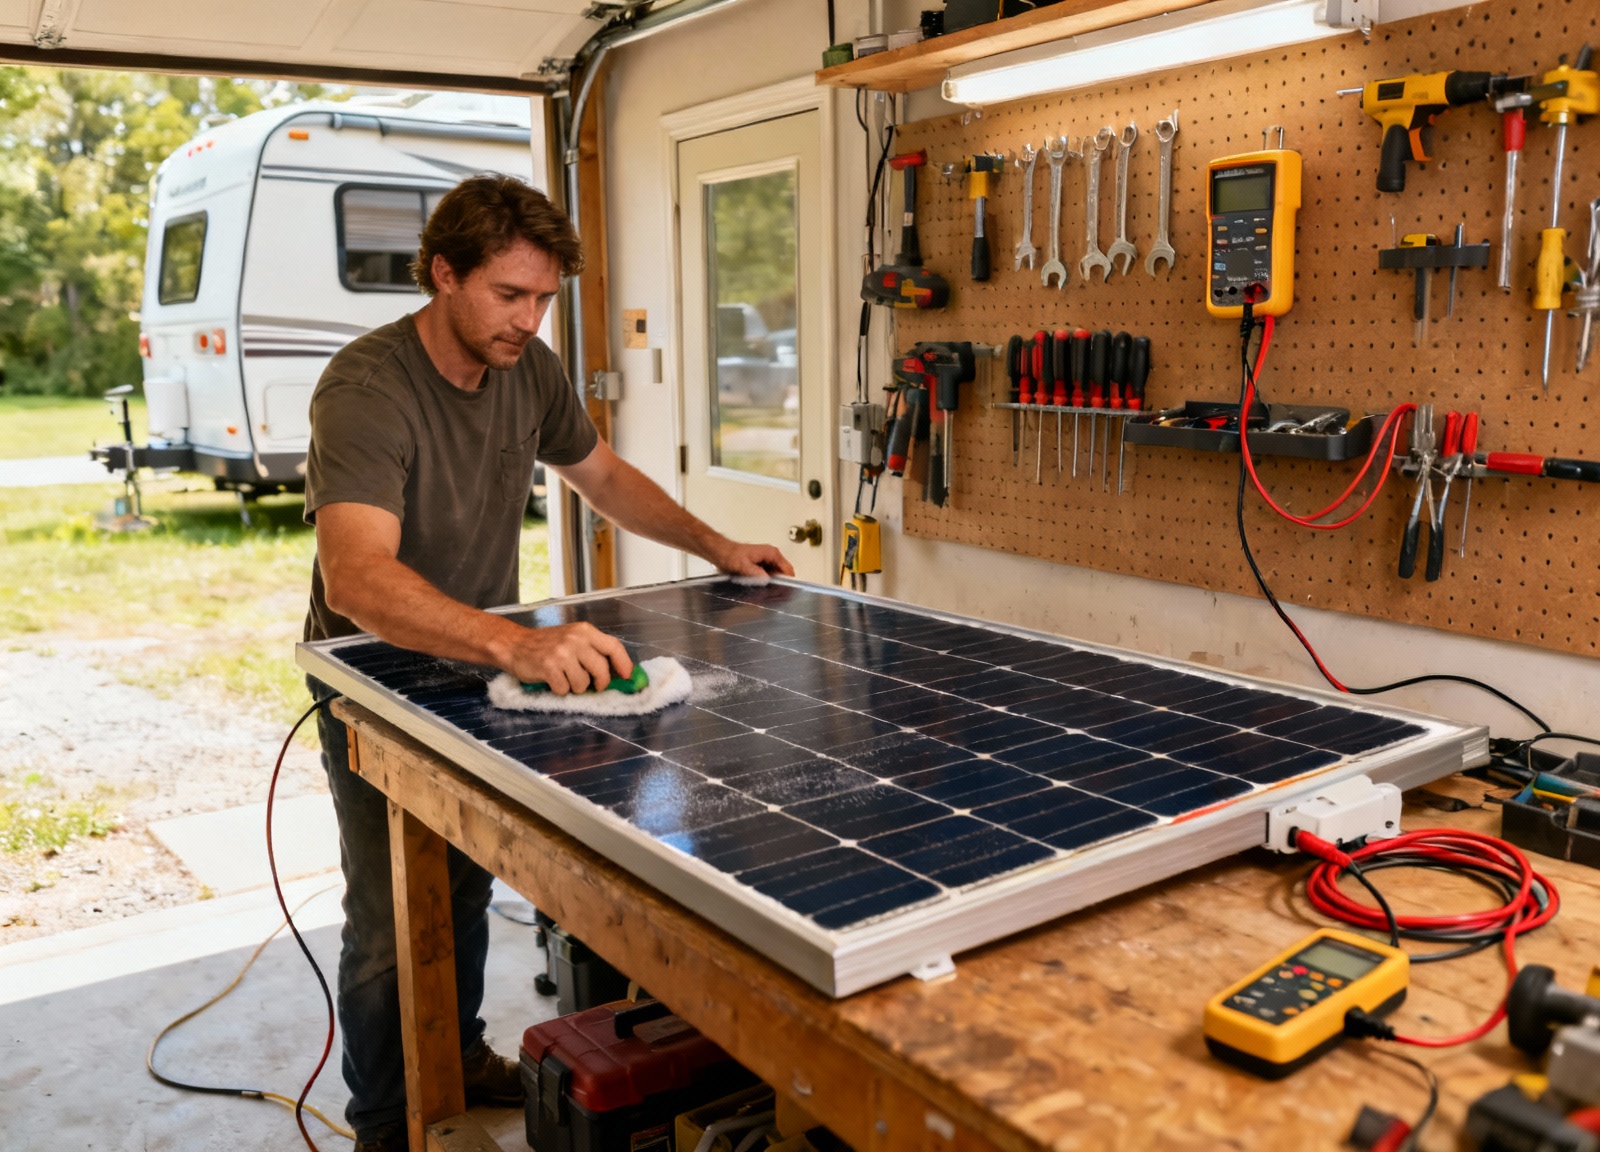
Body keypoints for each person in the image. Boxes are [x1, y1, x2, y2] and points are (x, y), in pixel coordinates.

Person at [302, 173, 792, 1152]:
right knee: (392, 912)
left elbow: (599, 474)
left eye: (542, 299)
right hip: (375, 673)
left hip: (476, 658)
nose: (528, 321)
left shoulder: (528, 368)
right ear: (444, 274)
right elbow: (356, 578)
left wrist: (717, 546)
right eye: (508, 295)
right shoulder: (366, 389)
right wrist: (520, 643)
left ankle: (457, 1053)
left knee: (463, 883)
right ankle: (386, 1123)